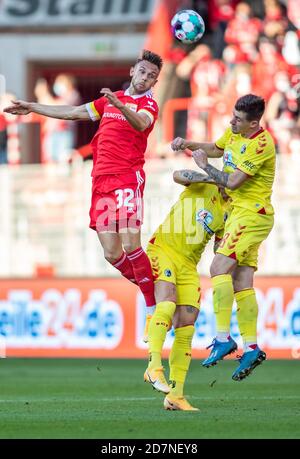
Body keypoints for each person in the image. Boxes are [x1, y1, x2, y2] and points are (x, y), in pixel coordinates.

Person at [4, 50, 163, 321]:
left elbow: (140, 125)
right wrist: (33, 106)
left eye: (152, 76)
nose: (145, 77)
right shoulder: (111, 101)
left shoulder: (148, 105)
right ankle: (158, 288)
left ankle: (152, 307)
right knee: (112, 254)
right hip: (101, 179)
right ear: (132, 71)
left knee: (131, 244)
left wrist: (122, 106)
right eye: (143, 71)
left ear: (154, 82)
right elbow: (73, 112)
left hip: (127, 176)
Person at [171, 94, 276, 381]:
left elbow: (231, 181)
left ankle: (222, 338)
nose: (232, 122)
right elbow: (215, 149)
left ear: (254, 123)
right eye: (233, 116)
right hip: (238, 214)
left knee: (218, 268)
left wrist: (204, 166)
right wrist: (187, 144)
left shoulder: (262, 145)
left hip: (251, 214)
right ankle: (252, 347)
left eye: (239, 120)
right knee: (241, 279)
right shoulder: (235, 131)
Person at [144, 169, 228, 411]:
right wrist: (210, 177)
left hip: (189, 265)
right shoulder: (204, 185)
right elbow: (177, 175)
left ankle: (175, 395)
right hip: (163, 250)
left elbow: (219, 248)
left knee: (187, 325)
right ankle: (153, 367)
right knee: (167, 303)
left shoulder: (229, 211)